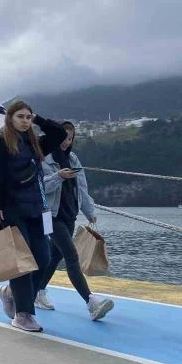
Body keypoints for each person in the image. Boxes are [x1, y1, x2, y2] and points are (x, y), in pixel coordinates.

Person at [0, 101, 66, 332]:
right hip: (12, 208)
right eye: (20, 116)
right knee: (21, 262)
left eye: (28, 117)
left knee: (43, 257)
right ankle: (23, 314)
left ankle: (10, 293)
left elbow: (59, 133)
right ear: (10, 118)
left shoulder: (33, 143)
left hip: (37, 208)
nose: (25, 121)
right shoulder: (0, 142)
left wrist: (38, 119)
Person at [36, 122, 114, 320]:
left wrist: (89, 211)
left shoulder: (73, 159)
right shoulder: (44, 159)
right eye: (63, 137)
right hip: (50, 216)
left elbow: (82, 188)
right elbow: (39, 188)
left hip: (69, 215)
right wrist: (58, 176)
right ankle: (91, 302)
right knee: (71, 256)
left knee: (55, 255)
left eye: (70, 138)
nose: (66, 142)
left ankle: (38, 291)